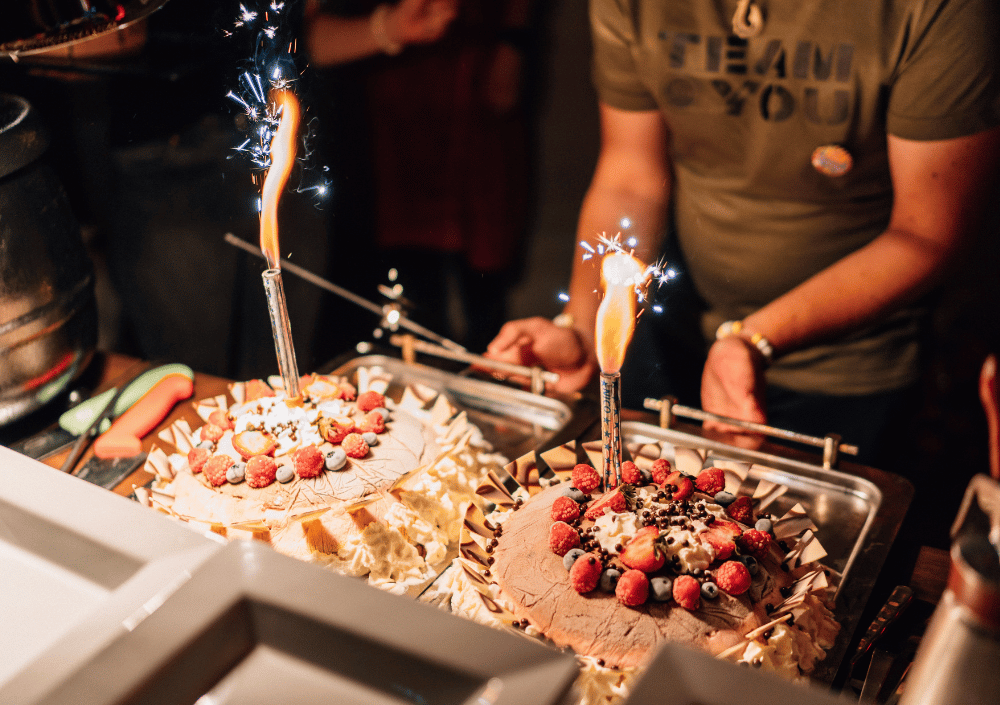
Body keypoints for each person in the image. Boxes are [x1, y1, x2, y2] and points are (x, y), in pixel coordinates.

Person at [484, 0, 1000, 465]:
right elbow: (631, 178)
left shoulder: (938, 10)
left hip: (846, 373)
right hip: (675, 337)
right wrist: (583, 328)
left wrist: (753, 338)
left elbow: (929, 234)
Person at [306, 0, 539, 352]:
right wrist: (388, 26)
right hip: (389, 93)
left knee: (486, 256)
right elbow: (303, 33)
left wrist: (513, 42)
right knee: (407, 270)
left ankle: (491, 366)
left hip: (475, 73)